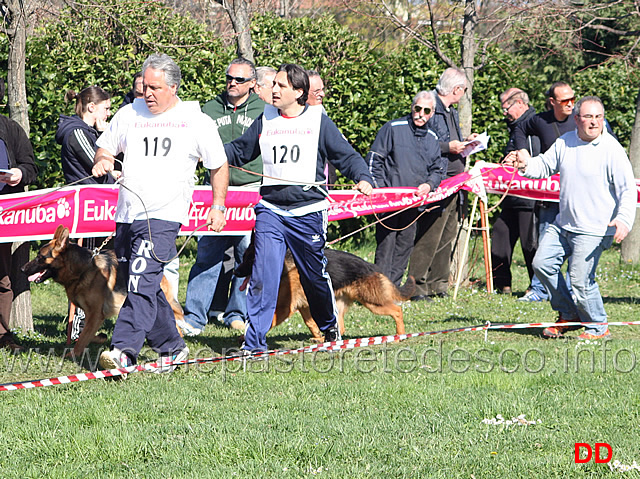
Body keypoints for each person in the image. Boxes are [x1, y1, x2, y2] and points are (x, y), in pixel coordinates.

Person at [93, 53, 228, 373]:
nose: (148, 94)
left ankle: (123, 352)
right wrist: (103, 159)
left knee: (140, 280)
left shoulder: (195, 119)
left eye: (155, 88)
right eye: (145, 87)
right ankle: (172, 346)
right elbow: (106, 146)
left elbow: (218, 165)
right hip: (127, 213)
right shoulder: (128, 113)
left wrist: (218, 205)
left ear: (173, 87)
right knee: (142, 282)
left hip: (164, 215)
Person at [224, 63, 373, 353]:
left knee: (313, 276)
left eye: (280, 85)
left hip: (308, 212)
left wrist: (363, 177)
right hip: (271, 210)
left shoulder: (318, 120)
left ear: (299, 91)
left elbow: (346, 155)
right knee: (263, 275)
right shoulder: (265, 118)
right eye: (273, 84)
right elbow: (239, 151)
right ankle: (254, 344)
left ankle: (328, 326)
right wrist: (207, 152)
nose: (273, 90)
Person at [505, 96, 636, 340]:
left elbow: (627, 190)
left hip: (595, 229)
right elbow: (543, 166)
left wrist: (624, 219)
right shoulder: (565, 142)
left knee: (580, 279)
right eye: (588, 116)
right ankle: (570, 315)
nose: (594, 122)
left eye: (598, 116)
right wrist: (524, 164)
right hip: (564, 224)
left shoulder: (612, 150)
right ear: (577, 119)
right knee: (542, 265)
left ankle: (598, 327)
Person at [179, 58, 266, 337]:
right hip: (216, 192)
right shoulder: (210, 108)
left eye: (240, 80)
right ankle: (194, 317)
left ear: (253, 83)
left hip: (249, 191)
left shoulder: (264, 110)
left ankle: (237, 313)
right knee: (208, 254)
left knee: (246, 256)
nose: (232, 83)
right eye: (229, 78)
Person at [408, 67, 477, 301]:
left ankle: (438, 284)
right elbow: (423, 142)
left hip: (454, 181)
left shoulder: (450, 111)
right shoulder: (431, 107)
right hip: (438, 180)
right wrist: (450, 147)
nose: (464, 94)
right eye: (464, 90)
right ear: (456, 89)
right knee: (430, 234)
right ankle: (416, 286)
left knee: (447, 234)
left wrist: (466, 143)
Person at [55, 85, 114, 342]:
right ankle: (76, 332)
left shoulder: (88, 131)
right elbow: (99, 165)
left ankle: (89, 326)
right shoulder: (76, 132)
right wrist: (106, 139)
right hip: (86, 210)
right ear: (92, 107)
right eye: (106, 108)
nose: (109, 113)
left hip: (100, 207)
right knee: (82, 273)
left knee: (98, 271)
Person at [368, 90, 445, 286]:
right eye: (417, 108)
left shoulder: (433, 137)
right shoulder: (393, 128)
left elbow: (438, 169)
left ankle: (393, 289)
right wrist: (380, 192)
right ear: (412, 108)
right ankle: (379, 289)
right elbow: (374, 161)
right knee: (386, 246)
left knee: (404, 246)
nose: (421, 114)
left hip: (414, 204)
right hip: (388, 202)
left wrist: (429, 185)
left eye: (426, 111)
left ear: (432, 113)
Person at [512, 81, 577, 302]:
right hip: (550, 194)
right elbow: (520, 128)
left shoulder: (581, 118)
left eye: (573, 99)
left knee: (577, 244)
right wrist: (521, 149)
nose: (571, 104)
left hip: (577, 194)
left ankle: (573, 289)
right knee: (545, 242)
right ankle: (540, 290)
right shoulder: (540, 120)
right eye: (565, 101)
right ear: (552, 102)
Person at [491, 88, 540, 295]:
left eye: (506, 108)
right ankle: (502, 284)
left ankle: (537, 286)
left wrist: (520, 161)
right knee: (500, 235)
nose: (504, 114)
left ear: (519, 103)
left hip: (530, 197)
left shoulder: (533, 124)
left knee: (530, 245)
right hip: (511, 195)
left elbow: (536, 157)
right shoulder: (515, 126)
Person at [0, 109, 38, 352]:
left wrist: (19, 174)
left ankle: (3, 336)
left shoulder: (10, 129)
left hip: (3, 216)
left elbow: (31, 167)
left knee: (2, 280)